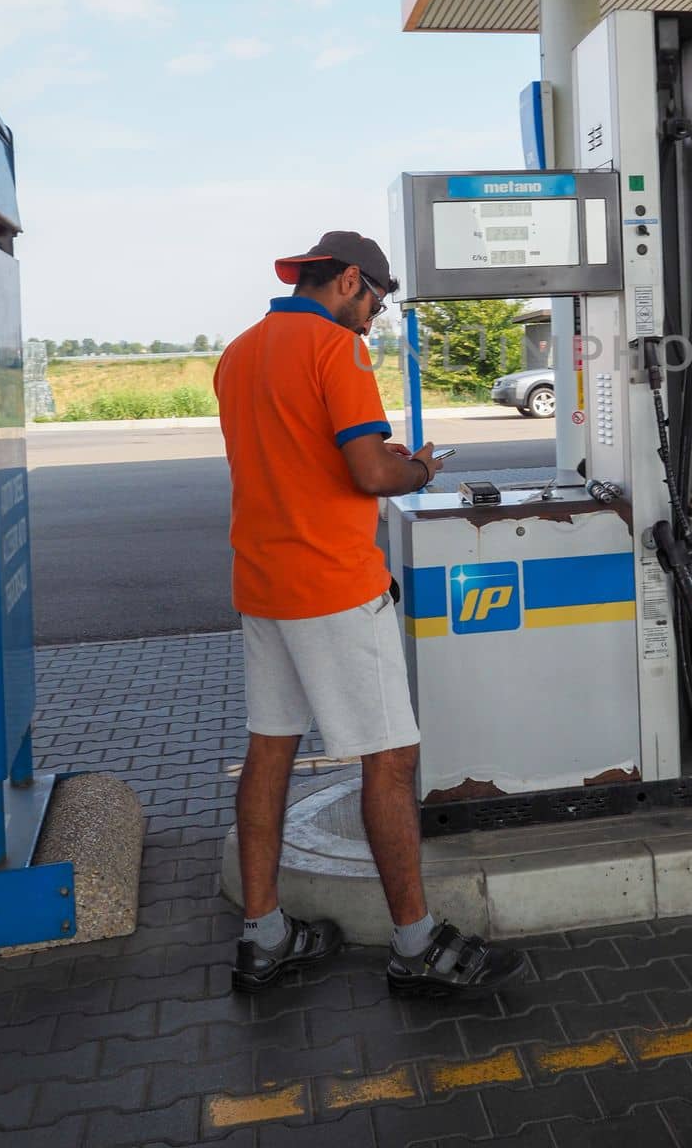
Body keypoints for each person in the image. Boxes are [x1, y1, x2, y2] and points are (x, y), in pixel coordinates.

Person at [214, 231, 526, 998]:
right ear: (349, 280)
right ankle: (418, 945)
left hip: (263, 583)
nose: (374, 319)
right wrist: (421, 467)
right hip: (334, 587)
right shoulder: (335, 350)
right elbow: (369, 471)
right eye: (375, 302)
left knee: (270, 752)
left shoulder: (240, 350)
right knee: (388, 761)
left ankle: (264, 937)